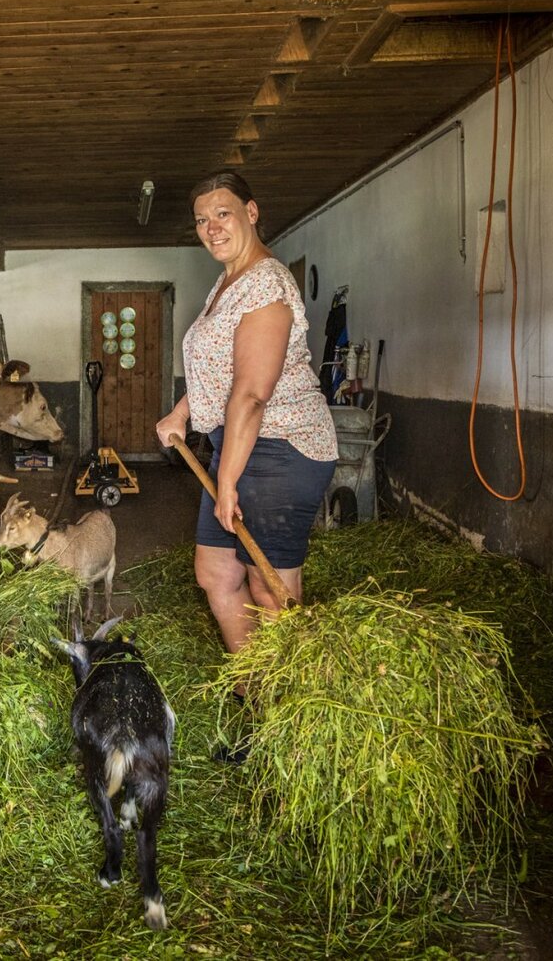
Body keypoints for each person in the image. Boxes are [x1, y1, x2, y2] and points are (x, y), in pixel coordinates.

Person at [155, 171, 337, 758]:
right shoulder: (225, 284)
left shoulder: (267, 285)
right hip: (237, 444)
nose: (212, 229)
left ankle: (298, 724)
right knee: (216, 573)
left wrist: (226, 480)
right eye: (202, 220)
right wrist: (181, 412)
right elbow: (220, 372)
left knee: (269, 586)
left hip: (282, 448)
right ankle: (260, 704)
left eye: (224, 214)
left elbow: (253, 392)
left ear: (252, 212)